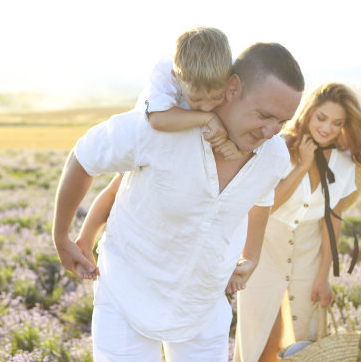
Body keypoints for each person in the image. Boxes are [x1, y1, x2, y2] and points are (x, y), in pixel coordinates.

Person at [52, 41, 304, 362]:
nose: (272, 130)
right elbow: (84, 157)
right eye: (264, 115)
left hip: (203, 309)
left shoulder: (274, 155)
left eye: (282, 121)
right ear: (232, 88)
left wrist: (250, 256)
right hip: (127, 296)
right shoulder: (155, 128)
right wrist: (61, 237)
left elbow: (260, 196)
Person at [74, 26, 242, 280]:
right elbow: (158, 121)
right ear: (177, 77)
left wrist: (228, 139)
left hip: (193, 131)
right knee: (119, 185)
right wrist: (207, 117)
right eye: (196, 98)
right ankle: (85, 238)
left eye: (216, 97)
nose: (207, 104)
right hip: (162, 121)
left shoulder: (231, 68)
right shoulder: (164, 75)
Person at [233, 82, 361, 362]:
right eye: (321, 118)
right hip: (264, 253)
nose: (326, 128)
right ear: (308, 113)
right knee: (263, 341)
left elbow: (331, 221)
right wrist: (302, 165)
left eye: (337, 123)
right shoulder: (276, 150)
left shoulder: (344, 165)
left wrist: (324, 275)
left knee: (304, 346)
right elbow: (267, 204)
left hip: (308, 256)